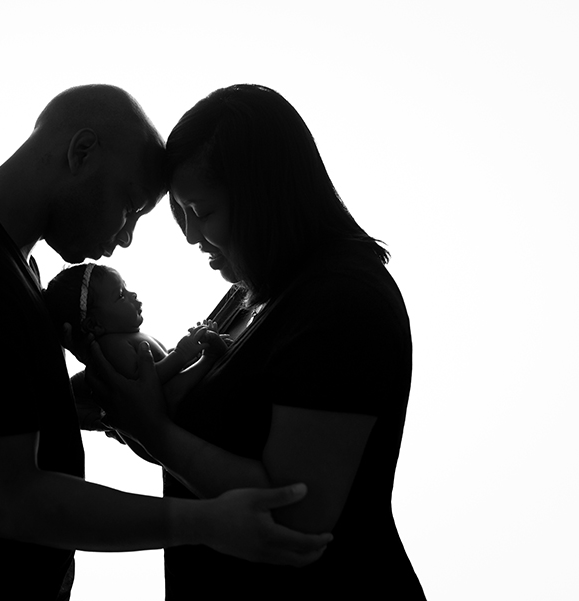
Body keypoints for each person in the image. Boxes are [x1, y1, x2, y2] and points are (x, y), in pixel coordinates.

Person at [0, 84, 333, 600]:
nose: (124, 240)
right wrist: (205, 521)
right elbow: (12, 501)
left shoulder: (3, 260)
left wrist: (64, 407)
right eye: (130, 206)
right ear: (82, 152)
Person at [88, 84, 426, 598]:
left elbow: (297, 512)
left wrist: (152, 429)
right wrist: (126, 399)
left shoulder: (343, 302)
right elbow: (202, 445)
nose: (189, 235)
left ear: (266, 196)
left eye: (201, 210)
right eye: (180, 212)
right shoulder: (251, 293)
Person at [44, 262, 228, 413]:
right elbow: (148, 383)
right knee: (171, 391)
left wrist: (189, 350)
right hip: (174, 406)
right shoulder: (111, 346)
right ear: (94, 325)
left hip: (183, 397)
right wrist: (181, 353)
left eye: (126, 287)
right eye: (121, 294)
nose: (133, 294)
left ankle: (205, 354)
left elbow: (162, 361)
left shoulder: (128, 336)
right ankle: (209, 358)